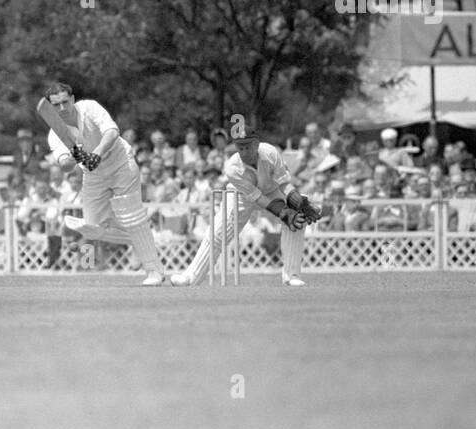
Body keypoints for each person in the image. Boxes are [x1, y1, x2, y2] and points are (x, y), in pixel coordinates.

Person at [41, 82, 165, 285]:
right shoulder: (55, 133)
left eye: (65, 102)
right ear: (50, 107)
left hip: (121, 164)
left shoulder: (89, 108)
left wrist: (96, 154)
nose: (62, 108)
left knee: (130, 215)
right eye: (56, 105)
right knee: (93, 228)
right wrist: (74, 155)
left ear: (72, 100)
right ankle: (144, 237)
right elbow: (64, 164)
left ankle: (154, 271)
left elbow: (112, 132)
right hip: (93, 175)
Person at [169, 125, 325, 287]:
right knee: (217, 231)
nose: (244, 152)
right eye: (240, 147)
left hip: (273, 189)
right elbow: (257, 198)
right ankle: (190, 277)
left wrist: (298, 201)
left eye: (247, 147)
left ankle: (292, 276)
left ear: (257, 144)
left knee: (298, 213)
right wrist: (282, 212)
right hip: (241, 195)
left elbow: (284, 183)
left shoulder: (270, 152)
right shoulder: (232, 168)